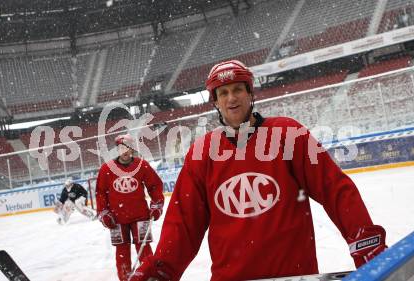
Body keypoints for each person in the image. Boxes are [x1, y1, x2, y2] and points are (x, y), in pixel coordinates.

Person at [130, 60, 387, 281]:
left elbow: (334, 189)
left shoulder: (287, 134)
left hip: (293, 275)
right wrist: (161, 269)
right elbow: (183, 222)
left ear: (250, 93)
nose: (232, 98)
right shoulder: (203, 152)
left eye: (238, 90)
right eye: (224, 93)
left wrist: (363, 237)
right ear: (216, 102)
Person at [96, 134, 165, 281]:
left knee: (144, 249)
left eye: (127, 148)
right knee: (121, 252)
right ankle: (124, 277)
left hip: (140, 215)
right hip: (116, 220)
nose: (125, 151)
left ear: (132, 149)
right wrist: (104, 212)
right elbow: (100, 193)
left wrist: (157, 204)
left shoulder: (142, 165)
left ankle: (150, 276)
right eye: (122, 148)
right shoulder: (106, 169)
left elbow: (154, 186)